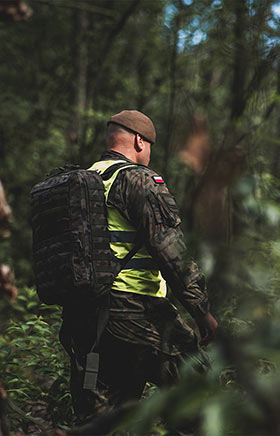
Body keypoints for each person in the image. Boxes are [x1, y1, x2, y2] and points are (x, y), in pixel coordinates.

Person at [60, 109, 218, 424]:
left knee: (101, 422)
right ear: (138, 141)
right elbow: (172, 254)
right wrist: (203, 314)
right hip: (135, 312)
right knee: (200, 395)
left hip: (85, 319)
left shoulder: (83, 182)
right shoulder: (138, 181)